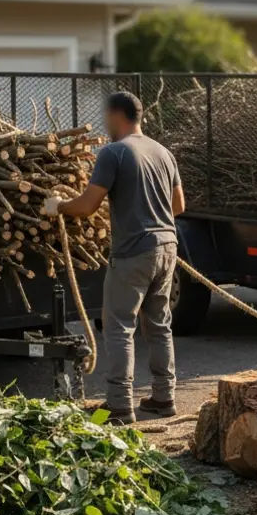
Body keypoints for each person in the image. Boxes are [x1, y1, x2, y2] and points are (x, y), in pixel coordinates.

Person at [43, 91, 185, 424]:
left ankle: (120, 406)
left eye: (106, 117)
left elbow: (87, 205)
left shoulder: (114, 153)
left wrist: (58, 207)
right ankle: (164, 399)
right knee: (159, 325)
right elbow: (179, 206)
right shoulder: (163, 152)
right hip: (167, 247)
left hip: (134, 252)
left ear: (117, 116)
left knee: (119, 327)